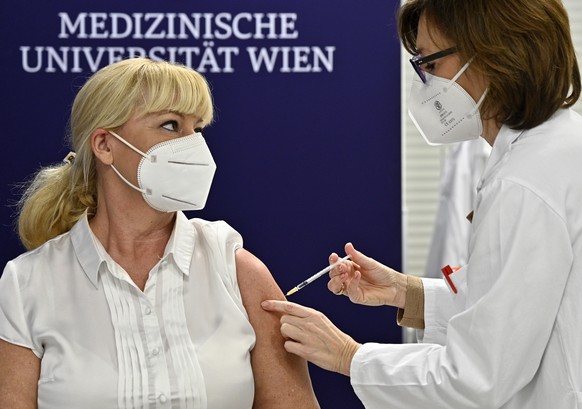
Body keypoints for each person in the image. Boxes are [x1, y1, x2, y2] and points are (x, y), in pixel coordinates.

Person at [262, 0, 582, 407]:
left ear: (494, 56)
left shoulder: (525, 183)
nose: (424, 81)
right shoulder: (555, 149)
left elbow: (477, 379)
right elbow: (516, 304)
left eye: (429, 63)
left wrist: (348, 355)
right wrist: (404, 292)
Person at [0, 58, 320, 409]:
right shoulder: (26, 283)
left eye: (197, 128)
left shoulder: (238, 270)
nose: (194, 145)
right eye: (170, 125)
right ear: (105, 145)